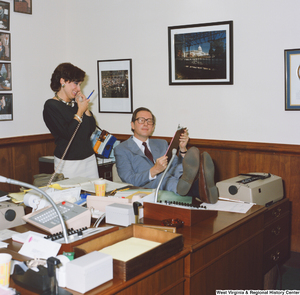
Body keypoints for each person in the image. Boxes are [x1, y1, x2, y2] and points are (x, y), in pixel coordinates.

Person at [114, 107, 218, 203]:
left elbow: (176, 166)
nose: (146, 124)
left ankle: (194, 182)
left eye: (149, 121)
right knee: (163, 178)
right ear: (132, 125)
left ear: (153, 126)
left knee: (177, 170)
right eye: (141, 120)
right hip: (147, 186)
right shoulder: (122, 149)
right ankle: (201, 187)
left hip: (175, 177)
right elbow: (129, 180)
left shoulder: (161, 143)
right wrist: (154, 170)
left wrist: (182, 149)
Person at [43, 62, 99, 179]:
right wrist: (80, 111)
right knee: (70, 196)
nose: (78, 88)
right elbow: (68, 133)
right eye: (76, 83)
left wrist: (85, 109)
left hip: (89, 159)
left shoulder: (75, 104)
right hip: (68, 163)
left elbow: (91, 128)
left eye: (80, 84)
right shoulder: (51, 105)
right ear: (63, 81)